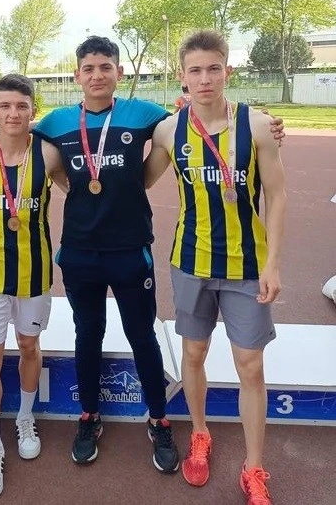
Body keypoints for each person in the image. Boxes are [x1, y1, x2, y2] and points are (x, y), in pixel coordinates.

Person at [32, 35, 284, 474]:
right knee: (86, 335)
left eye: (105, 67)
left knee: (142, 335)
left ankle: (159, 420)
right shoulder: (55, 121)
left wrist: (269, 125)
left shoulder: (147, 115)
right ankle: (88, 416)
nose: (97, 75)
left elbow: (191, 132)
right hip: (79, 252)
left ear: (119, 72)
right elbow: (24, 144)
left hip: (132, 249)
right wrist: (69, 185)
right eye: (88, 68)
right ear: (77, 75)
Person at [145, 29, 286, 505]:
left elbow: (279, 196)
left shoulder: (259, 126)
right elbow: (138, 180)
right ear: (182, 76)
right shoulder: (169, 131)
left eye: (213, 68)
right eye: (195, 70)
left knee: (251, 364)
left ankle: (254, 467)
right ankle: (200, 433)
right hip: (190, 262)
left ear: (228, 70)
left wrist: (273, 263)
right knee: (194, 354)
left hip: (247, 266)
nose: (204, 79)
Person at [0, 74, 67, 498]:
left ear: (32, 111)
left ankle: (25, 417)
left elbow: (82, 191)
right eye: (4, 105)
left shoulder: (49, 153)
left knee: (28, 347)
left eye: (21, 106)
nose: (13, 113)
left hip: (35, 274)